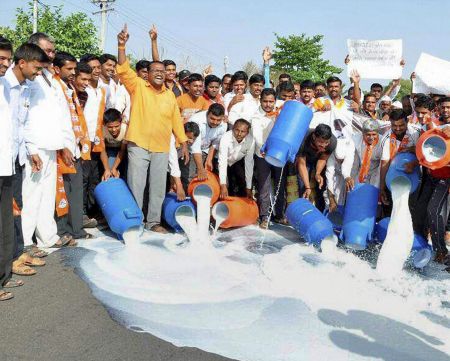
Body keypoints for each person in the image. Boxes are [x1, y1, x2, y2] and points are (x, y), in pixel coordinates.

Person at [116, 25, 189, 233]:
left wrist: (183, 143)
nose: (159, 74)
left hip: (161, 147)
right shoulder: (138, 86)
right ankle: (135, 221)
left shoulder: (169, 95)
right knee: (136, 187)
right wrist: (122, 45)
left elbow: (176, 120)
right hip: (138, 144)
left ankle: (153, 222)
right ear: (147, 74)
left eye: (162, 71)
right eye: (155, 71)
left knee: (157, 187)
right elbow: (122, 69)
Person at [53, 51, 93, 241]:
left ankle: (76, 230)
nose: (72, 72)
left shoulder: (69, 90)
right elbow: (57, 121)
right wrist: (63, 146)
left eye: (73, 69)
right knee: (64, 191)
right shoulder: (55, 87)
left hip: (75, 147)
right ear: (56, 68)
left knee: (75, 191)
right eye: (69, 69)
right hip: (63, 148)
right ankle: (63, 231)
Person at [412, 97, 450, 265]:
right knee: (420, 211)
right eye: (418, 113)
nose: (421, 116)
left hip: (446, 178)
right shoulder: (427, 126)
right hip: (429, 177)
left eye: (424, 113)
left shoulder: (445, 129)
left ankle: (441, 251)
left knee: (433, 211)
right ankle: (420, 247)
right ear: (438, 109)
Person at [251, 88, 287, 228]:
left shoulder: (280, 113)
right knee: (264, 185)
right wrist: (264, 148)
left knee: (280, 184)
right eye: (265, 101)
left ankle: (279, 215)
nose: (268, 104)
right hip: (263, 155)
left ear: (275, 101)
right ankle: (264, 217)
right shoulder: (255, 116)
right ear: (260, 101)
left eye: (271, 101)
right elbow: (257, 136)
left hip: (279, 154)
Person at [379, 109, 419, 215]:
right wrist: (382, 187)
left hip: (413, 175)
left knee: (411, 210)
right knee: (393, 210)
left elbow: (424, 154)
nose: (397, 129)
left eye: (401, 125)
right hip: (394, 175)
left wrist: (412, 150)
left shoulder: (416, 133)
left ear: (407, 122)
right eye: (394, 125)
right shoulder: (386, 138)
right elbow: (384, 163)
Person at [181, 103, 228, 190]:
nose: (215, 122)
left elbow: (215, 144)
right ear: (207, 114)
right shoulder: (196, 121)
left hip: (206, 150)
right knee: (189, 178)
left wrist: (209, 160)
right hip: (189, 150)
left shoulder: (223, 125)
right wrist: (200, 168)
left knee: (207, 178)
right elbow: (195, 147)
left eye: (218, 120)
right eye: (212, 119)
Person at [297, 124, 337, 212]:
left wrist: (318, 173)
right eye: (320, 142)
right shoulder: (303, 138)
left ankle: (319, 213)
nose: (323, 145)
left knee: (321, 186)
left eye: (326, 142)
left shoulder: (332, 142)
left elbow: (323, 158)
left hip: (319, 159)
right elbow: (301, 164)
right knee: (303, 185)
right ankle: (303, 212)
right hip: (305, 160)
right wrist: (307, 187)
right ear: (314, 137)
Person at [218, 119, 255, 199]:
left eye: (243, 131)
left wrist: (248, 187)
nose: (239, 134)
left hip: (236, 162)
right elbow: (222, 161)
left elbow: (249, 163)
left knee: (241, 183)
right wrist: (223, 185)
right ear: (233, 128)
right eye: (237, 130)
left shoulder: (251, 140)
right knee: (222, 186)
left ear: (247, 132)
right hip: (221, 162)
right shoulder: (226, 138)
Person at [148, 24, 184, 97]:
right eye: (168, 70)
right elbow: (156, 61)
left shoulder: (179, 87)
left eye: (173, 70)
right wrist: (154, 41)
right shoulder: (159, 83)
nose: (171, 72)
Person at [168, 122, 200, 201]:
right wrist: (175, 184)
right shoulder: (172, 142)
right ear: (182, 134)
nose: (191, 141)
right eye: (189, 138)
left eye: (193, 139)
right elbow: (172, 164)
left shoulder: (186, 146)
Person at [351, 120, 387, 189]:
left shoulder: (383, 142)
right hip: (359, 169)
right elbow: (354, 164)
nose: (371, 138)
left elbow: (382, 165)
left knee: (374, 190)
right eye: (368, 135)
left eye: (374, 134)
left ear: (377, 133)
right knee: (355, 189)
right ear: (363, 133)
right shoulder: (355, 139)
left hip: (376, 171)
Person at [100, 108, 128, 181]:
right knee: (109, 174)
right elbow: (102, 151)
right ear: (105, 124)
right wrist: (107, 169)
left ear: (121, 123)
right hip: (109, 150)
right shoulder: (102, 129)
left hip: (123, 150)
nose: (114, 130)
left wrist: (114, 168)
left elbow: (122, 151)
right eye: (110, 127)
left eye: (116, 126)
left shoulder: (125, 129)